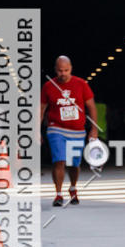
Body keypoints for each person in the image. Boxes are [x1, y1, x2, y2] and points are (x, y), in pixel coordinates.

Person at [40, 56, 97, 206]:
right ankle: (58, 194)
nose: (63, 73)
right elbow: (41, 109)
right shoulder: (48, 86)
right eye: (60, 71)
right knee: (59, 160)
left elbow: (91, 106)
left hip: (77, 131)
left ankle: (73, 187)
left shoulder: (81, 84)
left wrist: (94, 129)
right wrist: (36, 131)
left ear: (71, 68)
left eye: (66, 70)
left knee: (73, 163)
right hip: (56, 128)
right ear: (55, 70)